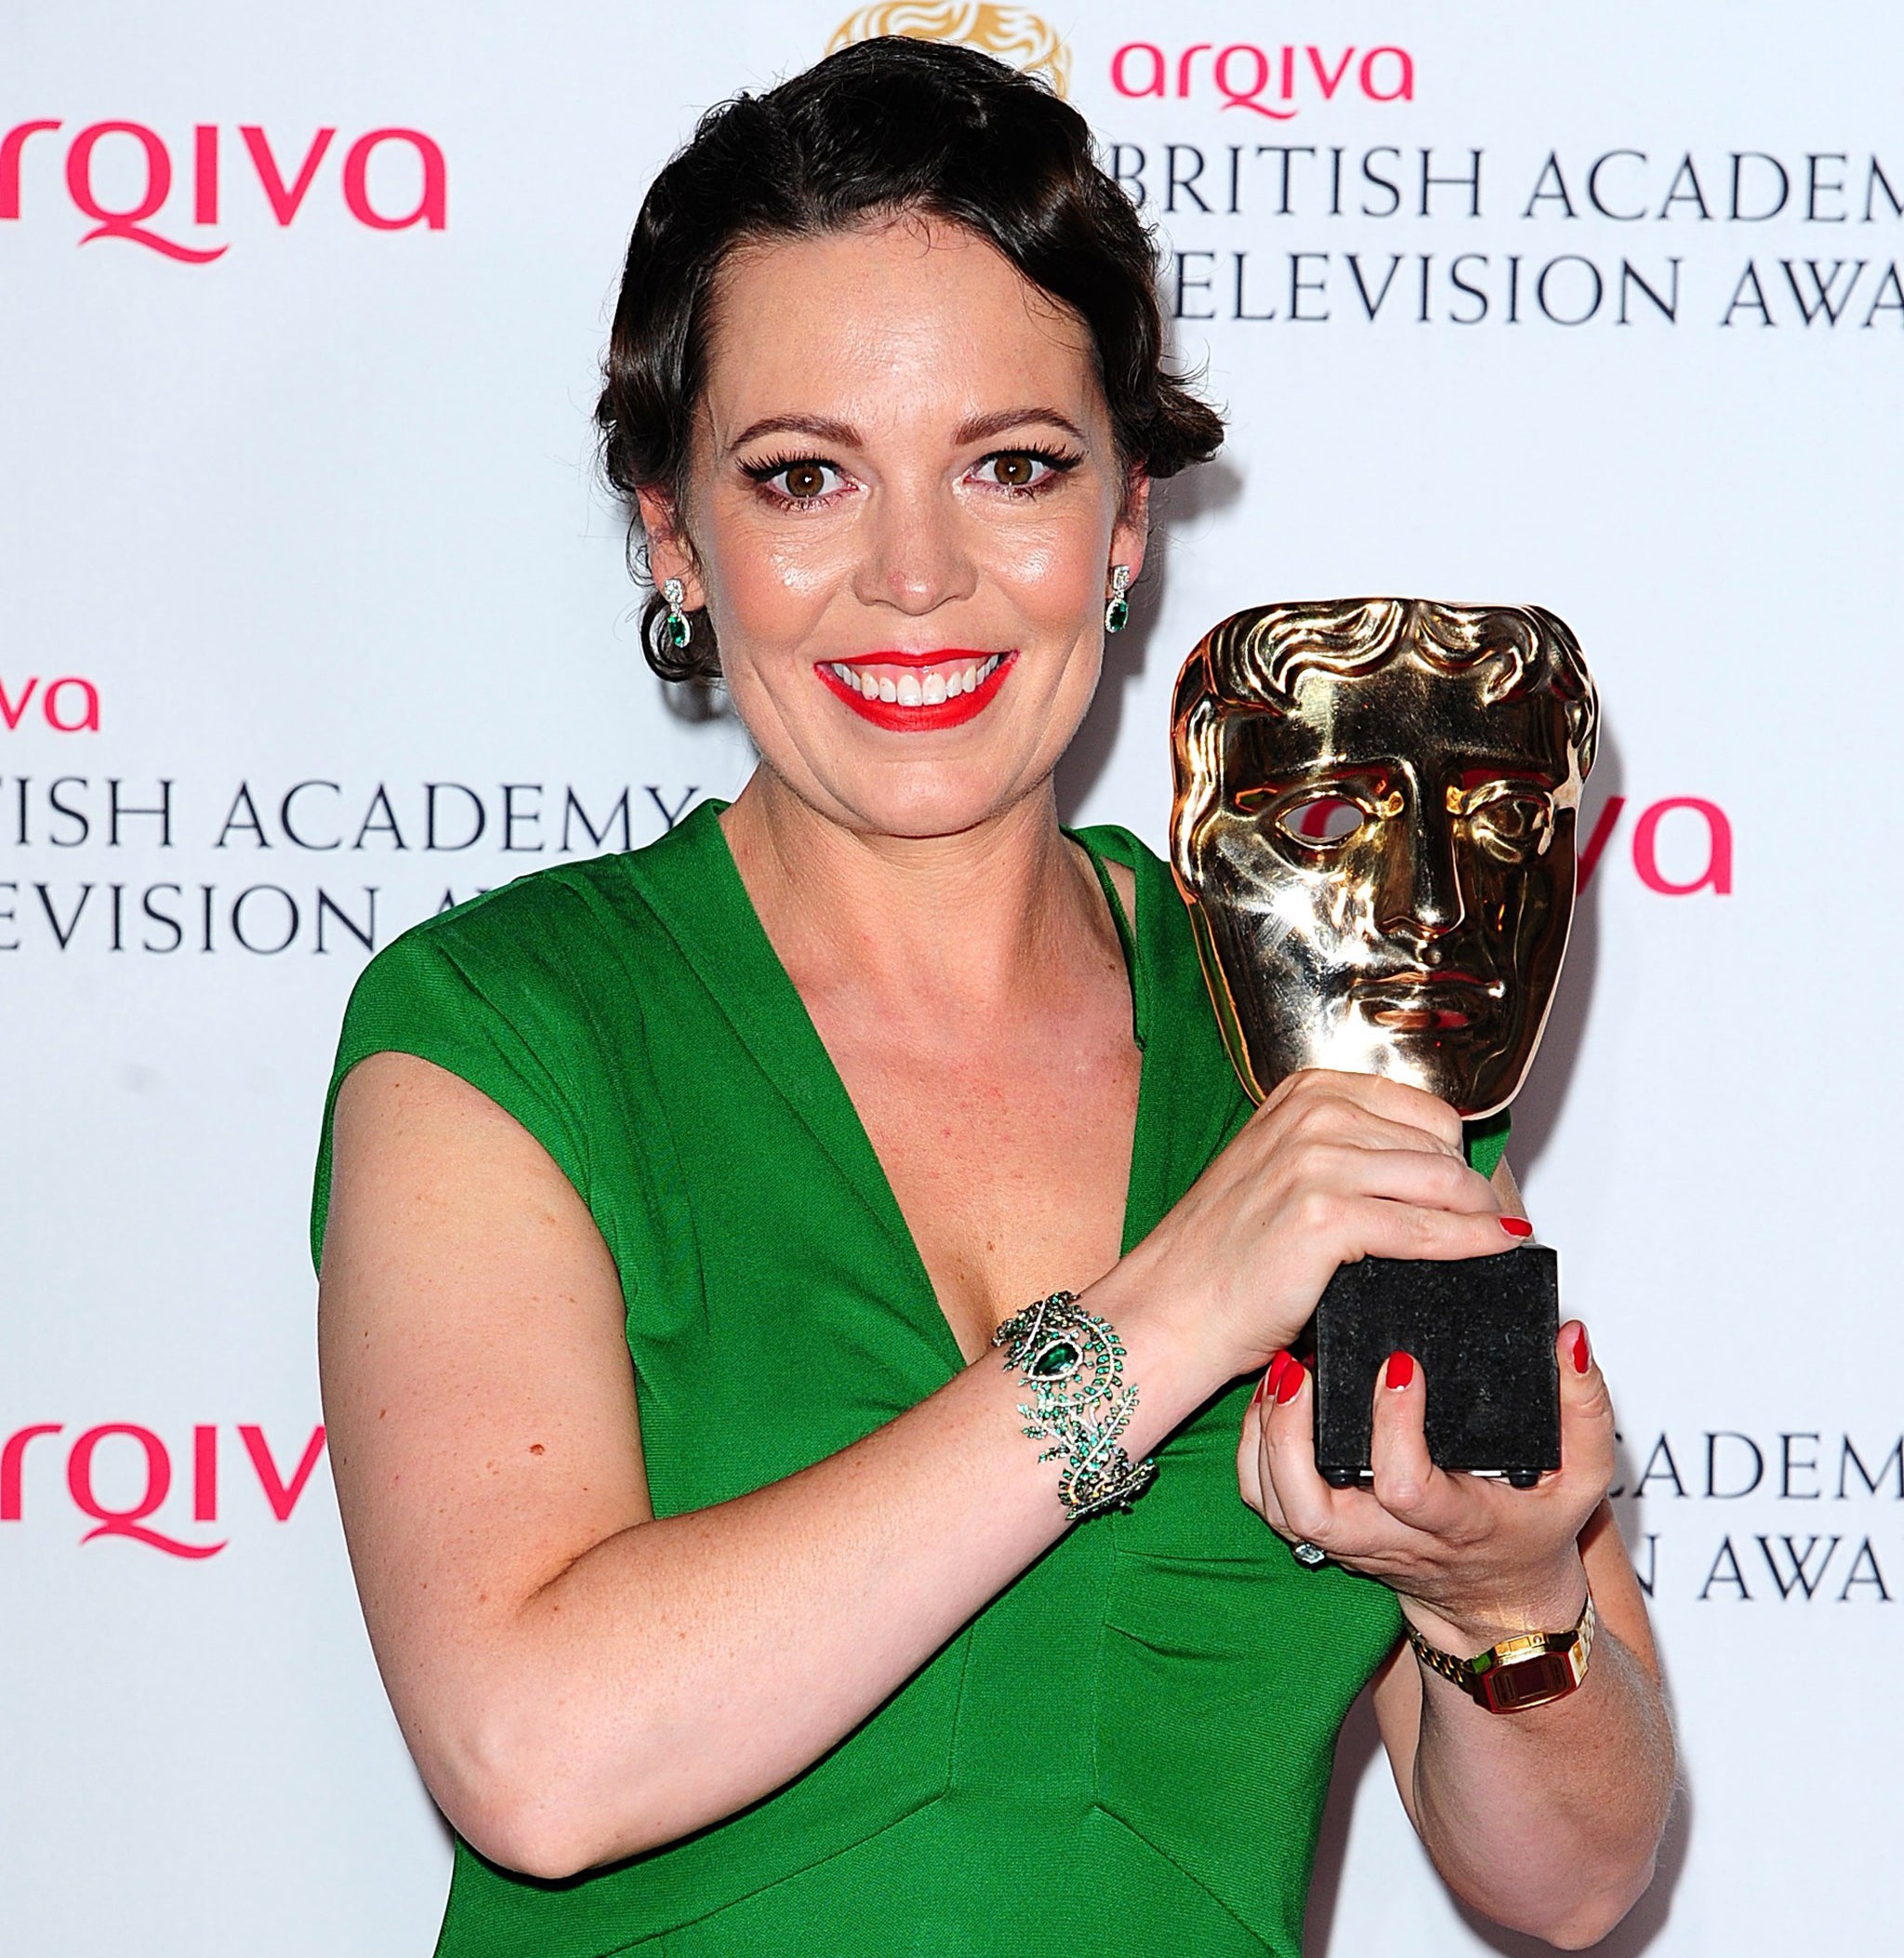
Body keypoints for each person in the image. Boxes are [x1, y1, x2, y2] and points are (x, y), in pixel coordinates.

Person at [313, 35, 1674, 1958]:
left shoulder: (1338, 1042)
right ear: (673, 538)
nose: (919, 577)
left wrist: (1503, 1606)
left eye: (1013, 468)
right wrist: (1162, 1318)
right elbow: (534, 1757)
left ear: (1126, 524)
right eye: (803, 480)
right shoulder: (506, 1026)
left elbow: (1570, 1878)